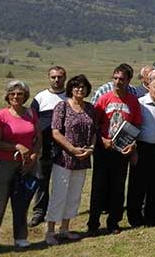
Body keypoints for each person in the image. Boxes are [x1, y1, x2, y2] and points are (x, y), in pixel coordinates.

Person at [0, 80, 41, 254]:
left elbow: (38, 138)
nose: (16, 96)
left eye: (20, 93)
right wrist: (17, 146)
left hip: (26, 165)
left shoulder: (31, 113)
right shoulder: (1, 115)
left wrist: (33, 155)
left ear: (25, 95)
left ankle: (21, 237)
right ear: (7, 96)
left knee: (22, 202)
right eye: (13, 93)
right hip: (3, 164)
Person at [87, 63, 142, 235]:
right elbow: (94, 124)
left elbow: (136, 125)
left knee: (118, 188)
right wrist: (102, 139)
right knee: (98, 187)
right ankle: (93, 223)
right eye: (115, 78)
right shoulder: (104, 98)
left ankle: (113, 222)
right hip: (103, 149)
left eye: (122, 79)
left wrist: (132, 144)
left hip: (122, 150)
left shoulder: (133, 101)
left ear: (128, 80)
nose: (117, 82)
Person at [44, 74, 96, 246]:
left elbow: (94, 132)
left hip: (83, 158)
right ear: (71, 89)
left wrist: (91, 148)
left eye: (83, 87)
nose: (80, 89)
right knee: (59, 194)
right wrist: (72, 149)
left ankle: (65, 229)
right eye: (76, 87)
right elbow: (56, 132)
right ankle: (50, 231)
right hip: (64, 158)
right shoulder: (62, 106)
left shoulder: (90, 108)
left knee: (74, 195)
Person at [127, 76, 155, 227]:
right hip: (142, 148)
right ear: (149, 87)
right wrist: (133, 150)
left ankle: (150, 218)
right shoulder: (140, 104)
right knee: (138, 185)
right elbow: (133, 127)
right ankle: (135, 219)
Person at [28, 66, 68, 228]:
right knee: (42, 179)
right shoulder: (40, 98)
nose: (56, 80)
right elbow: (30, 121)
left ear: (65, 78)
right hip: (44, 146)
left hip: (64, 146)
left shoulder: (69, 97)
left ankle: (58, 212)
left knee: (62, 181)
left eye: (59, 77)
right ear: (49, 78)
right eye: (53, 77)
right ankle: (39, 212)